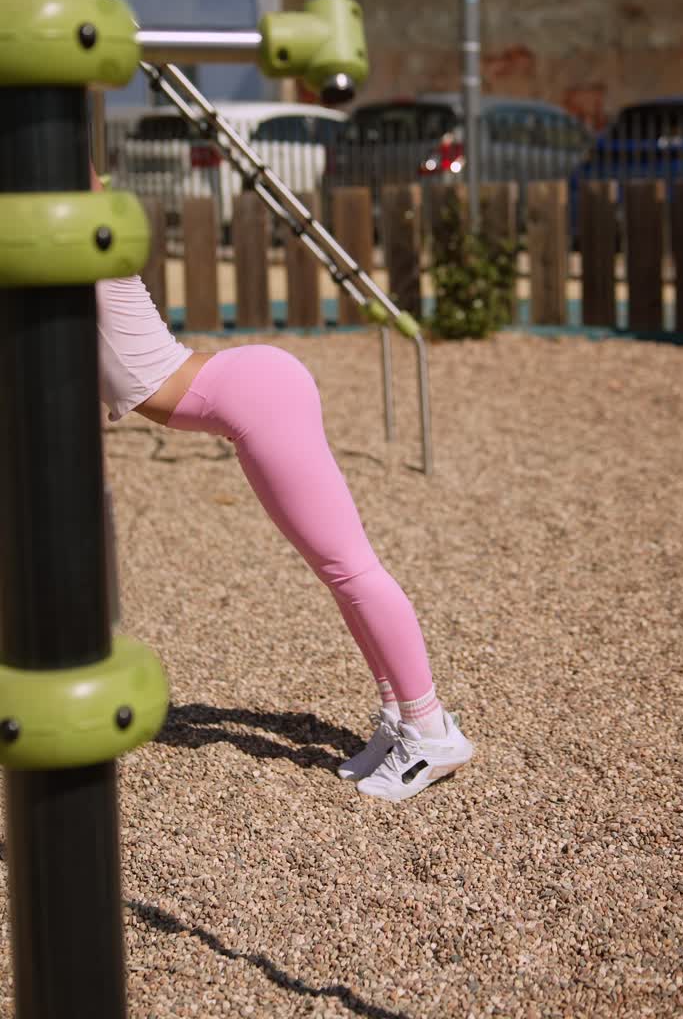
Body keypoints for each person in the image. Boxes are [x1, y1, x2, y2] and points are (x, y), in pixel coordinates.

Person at [94, 176, 473, 802]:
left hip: (258, 397)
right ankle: (398, 716)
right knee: (336, 571)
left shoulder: (84, 234)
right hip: (246, 392)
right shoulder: (62, 256)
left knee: (350, 566)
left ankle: (432, 730)